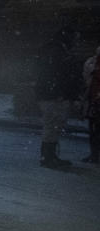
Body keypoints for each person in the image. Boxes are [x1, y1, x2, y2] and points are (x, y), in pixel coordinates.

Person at [34, 26, 81, 168]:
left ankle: (49, 155)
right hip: (52, 95)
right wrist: (59, 92)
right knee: (52, 125)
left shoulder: (54, 49)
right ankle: (48, 157)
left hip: (51, 93)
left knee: (53, 125)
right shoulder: (57, 51)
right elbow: (57, 73)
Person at [81, 45, 100, 163]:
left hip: (95, 100)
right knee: (94, 130)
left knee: (95, 130)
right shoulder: (91, 62)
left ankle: (95, 155)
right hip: (93, 100)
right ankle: (95, 154)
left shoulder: (91, 62)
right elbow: (86, 78)